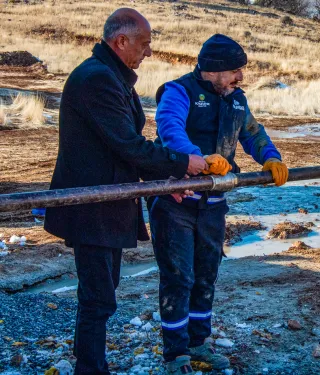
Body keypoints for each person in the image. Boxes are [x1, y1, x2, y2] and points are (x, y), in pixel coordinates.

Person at [43, 8, 207, 375]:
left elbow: (123, 147)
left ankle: (91, 364)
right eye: (145, 44)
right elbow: (128, 145)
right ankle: (90, 368)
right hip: (92, 207)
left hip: (107, 203)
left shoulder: (110, 76)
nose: (148, 52)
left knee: (102, 293)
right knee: (98, 297)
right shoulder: (97, 80)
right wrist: (183, 164)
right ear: (121, 41)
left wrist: (162, 183)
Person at [148, 34, 288, 374]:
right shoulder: (177, 92)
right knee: (178, 276)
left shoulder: (237, 100)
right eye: (235, 70)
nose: (241, 77)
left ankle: (199, 343)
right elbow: (169, 130)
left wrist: (271, 158)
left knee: (206, 275)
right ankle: (175, 354)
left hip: (213, 204)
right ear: (214, 69)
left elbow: (253, 133)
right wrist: (198, 159)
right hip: (175, 202)